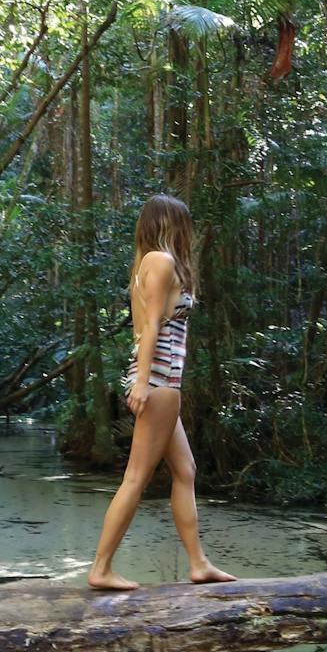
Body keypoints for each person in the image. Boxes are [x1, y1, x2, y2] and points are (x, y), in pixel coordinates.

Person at [86, 194, 236, 592]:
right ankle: (100, 568)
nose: (189, 233)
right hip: (158, 382)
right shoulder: (161, 261)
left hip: (156, 380)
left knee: (185, 470)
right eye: (184, 224)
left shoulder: (148, 263)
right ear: (169, 224)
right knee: (136, 477)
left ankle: (199, 563)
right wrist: (141, 385)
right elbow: (150, 326)